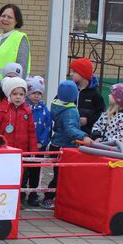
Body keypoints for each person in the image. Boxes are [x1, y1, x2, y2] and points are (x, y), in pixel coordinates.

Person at [43, 80, 92, 208]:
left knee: (59, 173)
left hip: (56, 142)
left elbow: (65, 124)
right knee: (61, 176)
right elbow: (70, 129)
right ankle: (49, 198)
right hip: (65, 145)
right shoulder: (70, 110)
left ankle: (55, 197)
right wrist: (83, 136)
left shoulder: (57, 105)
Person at [24, 76, 51, 207]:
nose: (36, 96)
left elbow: (47, 127)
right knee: (24, 172)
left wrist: (42, 141)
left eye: (39, 93)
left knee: (36, 172)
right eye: (34, 93)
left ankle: (33, 194)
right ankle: (22, 193)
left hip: (39, 146)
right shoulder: (25, 108)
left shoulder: (44, 109)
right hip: (26, 146)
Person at [0, 4, 30, 82]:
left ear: (16, 21)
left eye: (10, 17)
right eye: (3, 16)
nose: (5, 19)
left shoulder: (20, 38)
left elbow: (22, 68)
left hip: (9, 88)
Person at [92, 83, 123, 147]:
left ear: (119, 99)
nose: (109, 95)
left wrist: (105, 140)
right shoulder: (106, 114)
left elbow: (122, 137)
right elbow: (97, 125)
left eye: (112, 94)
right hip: (103, 148)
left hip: (116, 152)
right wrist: (96, 136)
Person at [69, 57, 106, 133]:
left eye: (74, 72)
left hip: (87, 134)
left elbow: (101, 115)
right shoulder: (68, 89)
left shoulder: (95, 95)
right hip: (68, 132)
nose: (71, 74)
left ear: (83, 74)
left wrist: (88, 120)